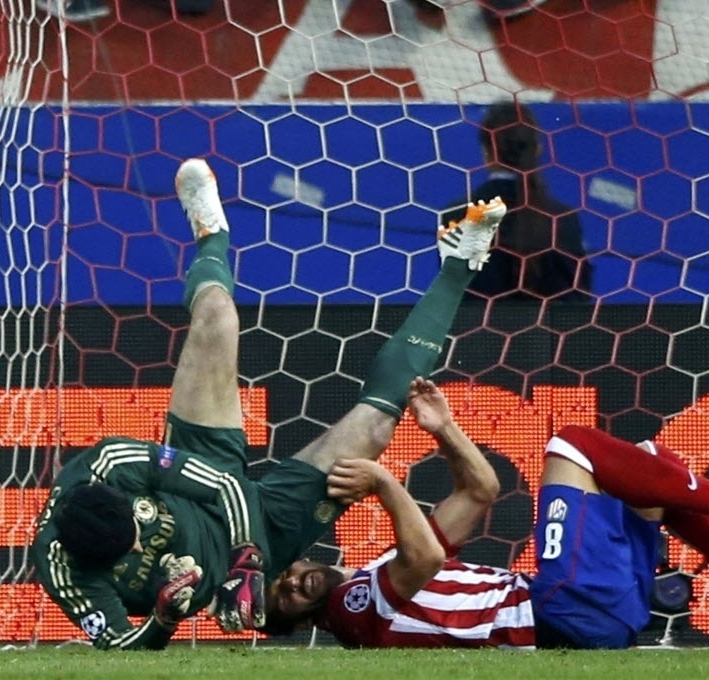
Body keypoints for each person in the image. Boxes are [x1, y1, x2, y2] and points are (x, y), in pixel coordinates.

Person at [29, 157, 507, 650]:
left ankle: (211, 235)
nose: (139, 544)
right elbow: (118, 648)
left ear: (118, 498)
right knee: (375, 430)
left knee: (217, 318)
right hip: (271, 537)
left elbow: (222, 487)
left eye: (136, 529)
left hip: (203, 484)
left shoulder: (108, 464)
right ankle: (458, 266)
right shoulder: (62, 570)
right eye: (125, 552)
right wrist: (165, 618)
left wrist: (244, 562)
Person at [260, 421, 709, 648]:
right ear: (294, 621)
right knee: (573, 445)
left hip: (605, 613)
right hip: (562, 607)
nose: (292, 581)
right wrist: (386, 483)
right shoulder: (347, 609)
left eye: (281, 573)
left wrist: (443, 431)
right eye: (282, 597)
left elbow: (480, 493)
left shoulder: (371, 574)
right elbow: (419, 557)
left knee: (652, 465)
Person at [442, 101, 592, 303]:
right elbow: (576, 300)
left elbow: (453, 298)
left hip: (479, 334)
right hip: (546, 333)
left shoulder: (458, 215)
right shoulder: (562, 218)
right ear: (537, 149)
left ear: (487, 151)